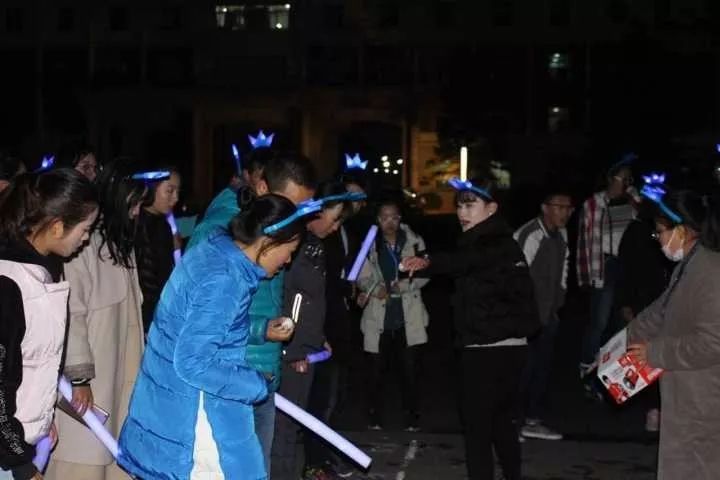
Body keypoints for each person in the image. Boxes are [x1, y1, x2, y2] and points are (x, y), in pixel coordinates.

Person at [119, 191, 313, 480]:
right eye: (290, 251)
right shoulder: (226, 278)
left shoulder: (215, 254)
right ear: (269, 242)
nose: (287, 261)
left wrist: (259, 330)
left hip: (173, 405)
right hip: (197, 419)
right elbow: (192, 363)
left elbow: (206, 325)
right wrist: (255, 384)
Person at [186, 151, 316, 470]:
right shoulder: (219, 232)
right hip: (228, 378)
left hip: (261, 373)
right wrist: (261, 328)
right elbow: (196, 316)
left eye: (302, 209)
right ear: (261, 188)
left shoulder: (274, 232)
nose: (295, 216)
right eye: (290, 204)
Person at [402, 177, 539, 480]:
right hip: (505, 347)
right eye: (460, 206)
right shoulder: (497, 241)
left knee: (479, 428)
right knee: (501, 424)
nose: (462, 213)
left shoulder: (492, 243)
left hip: (488, 350)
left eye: (470, 205)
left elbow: (463, 261)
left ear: (491, 208)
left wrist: (426, 261)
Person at [46, 161, 167, 480]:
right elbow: (72, 314)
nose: (137, 212)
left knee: (114, 458)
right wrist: (79, 378)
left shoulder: (120, 246)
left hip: (120, 377)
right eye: (133, 204)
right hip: (91, 383)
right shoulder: (82, 245)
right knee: (82, 461)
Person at [0, 169, 98, 480]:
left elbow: (34, 362)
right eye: (85, 229)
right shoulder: (9, 284)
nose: (87, 238)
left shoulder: (42, 273)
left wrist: (39, 419)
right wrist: (21, 464)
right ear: (57, 227)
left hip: (19, 442)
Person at [627, 188, 720, 479]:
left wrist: (655, 353)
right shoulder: (688, 266)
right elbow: (660, 312)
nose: (658, 240)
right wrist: (621, 343)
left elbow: (713, 343)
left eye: (659, 232)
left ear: (681, 230)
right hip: (684, 395)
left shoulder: (711, 272)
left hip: (704, 398)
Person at [272, 182, 352, 480]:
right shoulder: (294, 246)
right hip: (291, 352)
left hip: (305, 347)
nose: (336, 227)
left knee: (294, 425)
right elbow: (288, 301)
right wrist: (295, 350)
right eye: (334, 218)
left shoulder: (314, 246)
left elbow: (310, 303)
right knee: (284, 427)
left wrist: (318, 338)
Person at [355, 200, 429, 432]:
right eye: (385, 217)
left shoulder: (415, 241)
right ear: (378, 219)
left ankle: (412, 416)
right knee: (376, 371)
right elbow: (360, 274)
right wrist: (374, 289)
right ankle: (374, 416)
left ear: (400, 218)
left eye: (394, 217)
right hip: (378, 314)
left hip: (409, 313)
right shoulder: (369, 242)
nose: (390, 222)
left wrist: (402, 286)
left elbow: (426, 272)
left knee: (410, 370)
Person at [514, 190, 572, 441]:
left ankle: (532, 420)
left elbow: (563, 272)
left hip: (548, 314)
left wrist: (557, 304)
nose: (565, 213)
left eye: (568, 208)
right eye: (560, 207)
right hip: (526, 315)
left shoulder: (562, 235)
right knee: (522, 370)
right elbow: (515, 276)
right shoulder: (530, 234)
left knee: (542, 368)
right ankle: (512, 422)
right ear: (545, 208)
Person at [577, 159, 638, 384]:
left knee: (623, 322)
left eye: (630, 178)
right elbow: (585, 241)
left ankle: (612, 373)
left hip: (626, 266)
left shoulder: (633, 202)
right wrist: (585, 276)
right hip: (605, 265)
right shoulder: (594, 203)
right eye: (624, 178)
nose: (627, 183)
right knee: (599, 321)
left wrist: (635, 197)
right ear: (611, 178)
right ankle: (587, 367)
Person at [616, 198, 673, 432]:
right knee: (645, 356)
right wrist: (625, 302)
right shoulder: (636, 231)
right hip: (644, 301)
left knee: (661, 356)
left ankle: (660, 408)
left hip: (664, 301)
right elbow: (624, 268)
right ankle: (652, 408)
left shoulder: (673, 232)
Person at [135, 167, 181, 333]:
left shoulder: (163, 226)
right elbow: (146, 281)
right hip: (145, 320)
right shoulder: (137, 226)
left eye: (178, 191)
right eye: (169, 191)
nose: (175, 198)